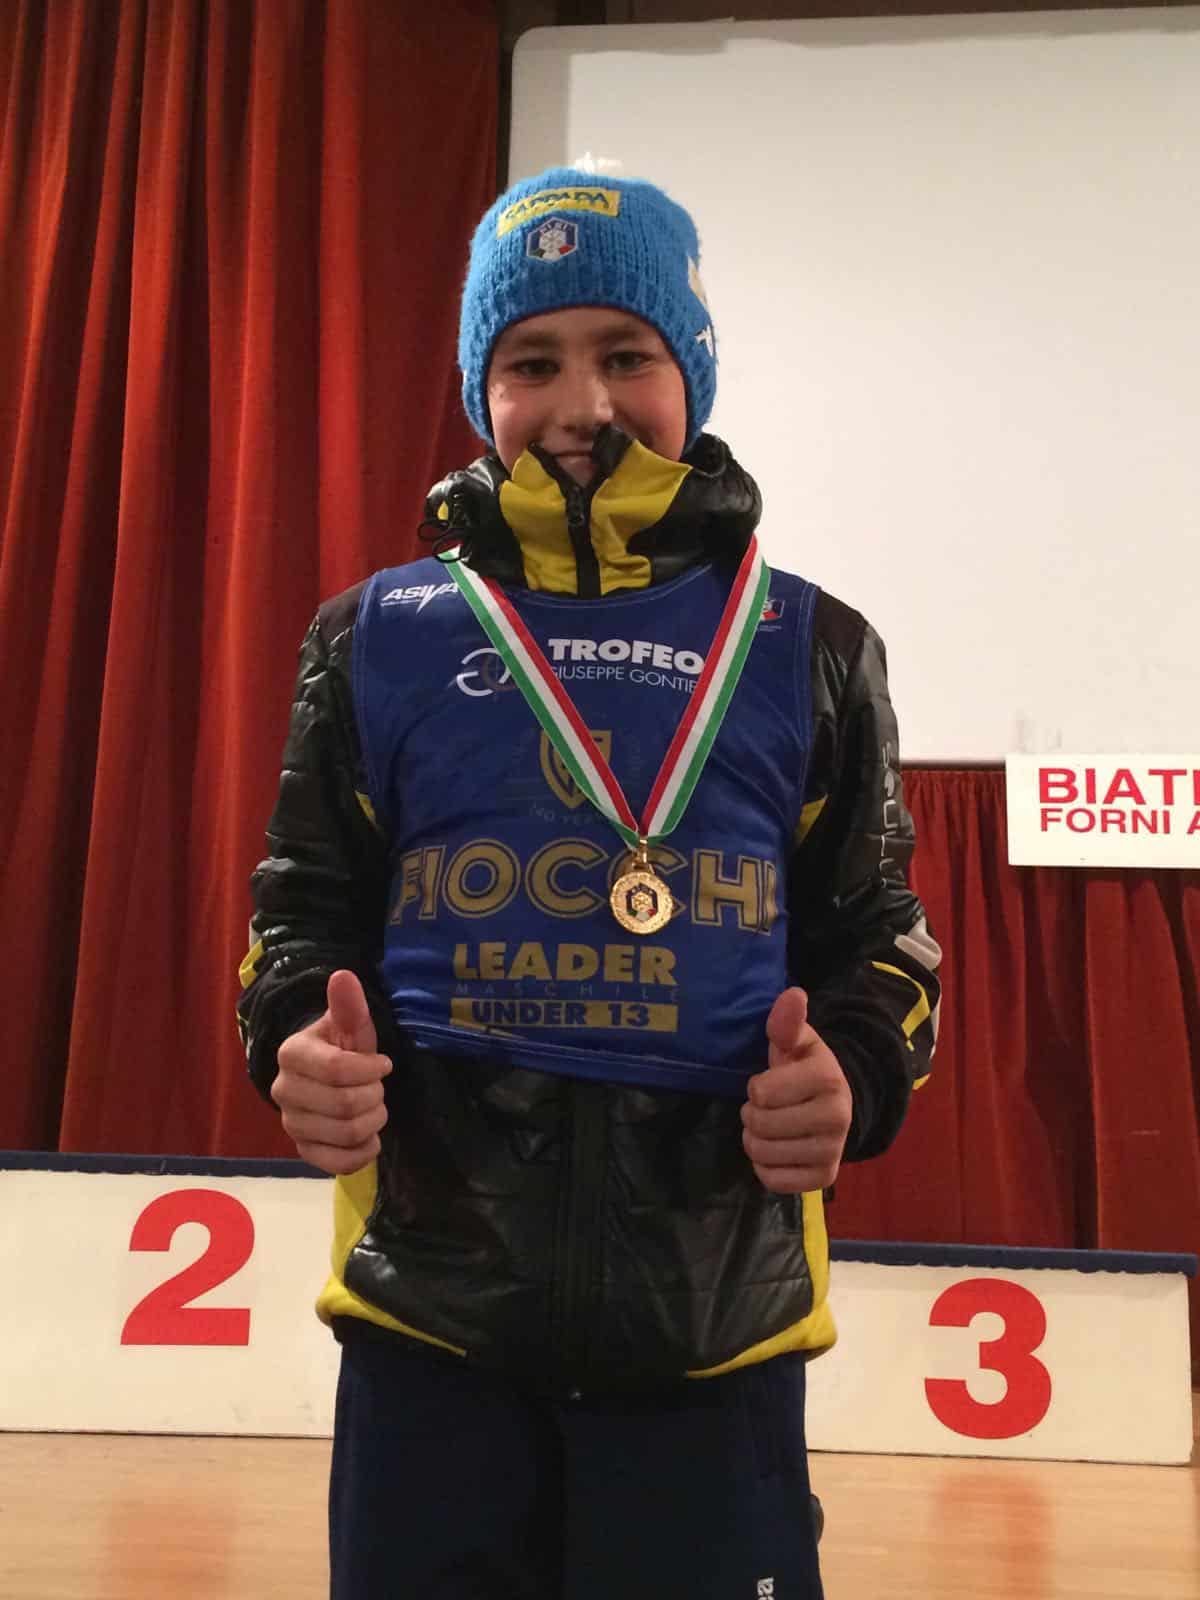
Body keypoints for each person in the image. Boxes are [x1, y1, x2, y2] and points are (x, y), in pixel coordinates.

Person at [238, 166, 940, 1600]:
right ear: (479, 390)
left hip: (714, 1334)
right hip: (431, 1328)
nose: (582, 404)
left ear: (692, 374)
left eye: (626, 354)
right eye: (532, 363)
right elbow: (299, 911)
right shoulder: (372, 634)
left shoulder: (813, 643)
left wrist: (857, 1071)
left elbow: (883, 937)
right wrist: (296, 1040)